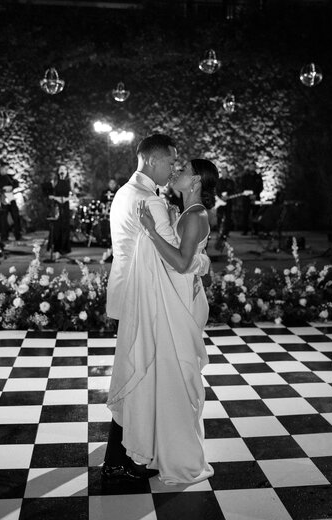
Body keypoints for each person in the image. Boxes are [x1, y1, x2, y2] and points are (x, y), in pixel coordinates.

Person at [101, 134, 211, 483]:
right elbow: (179, 259)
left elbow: (178, 255)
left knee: (141, 375)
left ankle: (130, 453)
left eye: (180, 166)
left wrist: (197, 261)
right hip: (148, 300)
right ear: (152, 161)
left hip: (134, 295)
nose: (173, 169)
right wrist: (199, 264)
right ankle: (129, 455)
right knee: (143, 376)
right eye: (169, 162)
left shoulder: (124, 193)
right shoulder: (152, 201)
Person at [136, 158, 218, 484]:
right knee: (172, 376)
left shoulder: (196, 215)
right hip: (181, 297)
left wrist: (152, 232)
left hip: (186, 302)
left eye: (182, 170)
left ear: (196, 180)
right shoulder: (187, 213)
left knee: (179, 377)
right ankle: (169, 447)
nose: (176, 173)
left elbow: (183, 264)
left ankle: (183, 457)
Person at [0, 162, 23, 243]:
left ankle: (18, 234)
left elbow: (15, 183)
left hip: (10, 195)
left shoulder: (8, 176)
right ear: (1, 168)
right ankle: (4, 236)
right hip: (2, 196)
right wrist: (3, 188)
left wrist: (11, 187)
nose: (6, 170)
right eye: (5, 169)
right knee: (4, 217)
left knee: (15, 214)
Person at [48, 164, 72, 261]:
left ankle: (64, 248)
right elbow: (49, 194)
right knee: (57, 227)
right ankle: (56, 248)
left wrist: (66, 199)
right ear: (58, 171)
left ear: (66, 172)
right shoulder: (54, 181)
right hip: (57, 206)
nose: (62, 171)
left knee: (65, 226)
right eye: (61, 169)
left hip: (65, 205)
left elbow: (73, 194)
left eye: (64, 169)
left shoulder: (69, 181)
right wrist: (56, 198)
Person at [214, 165, 236, 249]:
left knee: (228, 217)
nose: (223, 173)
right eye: (222, 171)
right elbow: (216, 191)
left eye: (225, 171)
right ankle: (219, 231)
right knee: (219, 217)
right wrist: (220, 197)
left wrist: (228, 196)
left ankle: (226, 232)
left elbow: (233, 190)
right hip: (220, 202)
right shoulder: (218, 181)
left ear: (227, 172)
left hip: (228, 202)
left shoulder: (231, 182)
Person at [240, 163, 264, 235]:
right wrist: (249, 195)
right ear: (249, 168)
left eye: (253, 167)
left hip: (256, 198)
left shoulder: (258, 177)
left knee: (256, 214)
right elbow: (242, 187)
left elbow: (261, 187)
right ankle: (245, 231)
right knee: (246, 214)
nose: (252, 168)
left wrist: (255, 194)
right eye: (251, 167)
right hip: (247, 199)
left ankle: (256, 230)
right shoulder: (245, 177)